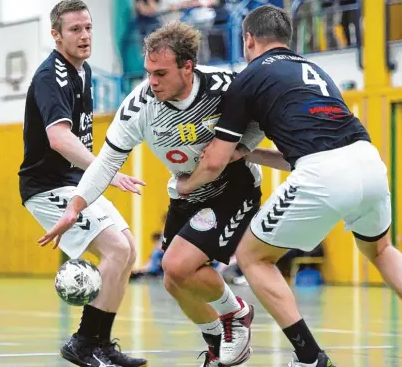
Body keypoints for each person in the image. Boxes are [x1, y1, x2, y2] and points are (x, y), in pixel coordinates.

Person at [176, 4, 402, 367]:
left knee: (254, 257)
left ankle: (309, 355)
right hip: (367, 162)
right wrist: (251, 155)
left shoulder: (249, 77)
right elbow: (301, 152)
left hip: (322, 173)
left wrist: (187, 185)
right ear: (286, 38)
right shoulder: (314, 70)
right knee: (380, 250)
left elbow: (213, 161)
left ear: (248, 39)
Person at [39, 21, 266, 367]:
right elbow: (105, 163)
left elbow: (262, 118)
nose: (152, 82)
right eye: (148, 72)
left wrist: (240, 149)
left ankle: (236, 314)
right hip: (187, 191)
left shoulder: (225, 86)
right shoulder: (139, 106)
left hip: (233, 185)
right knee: (174, 280)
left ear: (188, 67)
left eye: (160, 74)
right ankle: (218, 347)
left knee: (179, 264)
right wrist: (75, 207)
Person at [19, 0, 148, 367]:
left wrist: (96, 175)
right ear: (56, 36)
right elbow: (59, 139)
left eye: (88, 27)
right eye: (75, 29)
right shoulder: (51, 76)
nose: (85, 35)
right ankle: (83, 342)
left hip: (74, 180)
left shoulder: (84, 71)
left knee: (128, 249)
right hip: (47, 186)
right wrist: (107, 170)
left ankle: (101, 344)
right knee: (117, 251)